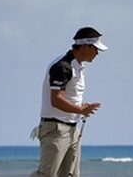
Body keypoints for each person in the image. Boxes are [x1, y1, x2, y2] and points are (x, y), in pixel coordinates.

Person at [31, 27, 106, 177]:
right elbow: (56, 100)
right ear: (85, 46)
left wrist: (80, 108)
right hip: (55, 129)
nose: (97, 53)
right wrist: (80, 110)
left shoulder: (79, 67)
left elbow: (67, 98)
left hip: (72, 128)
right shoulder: (62, 66)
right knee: (46, 175)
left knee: (71, 175)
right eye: (96, 49)